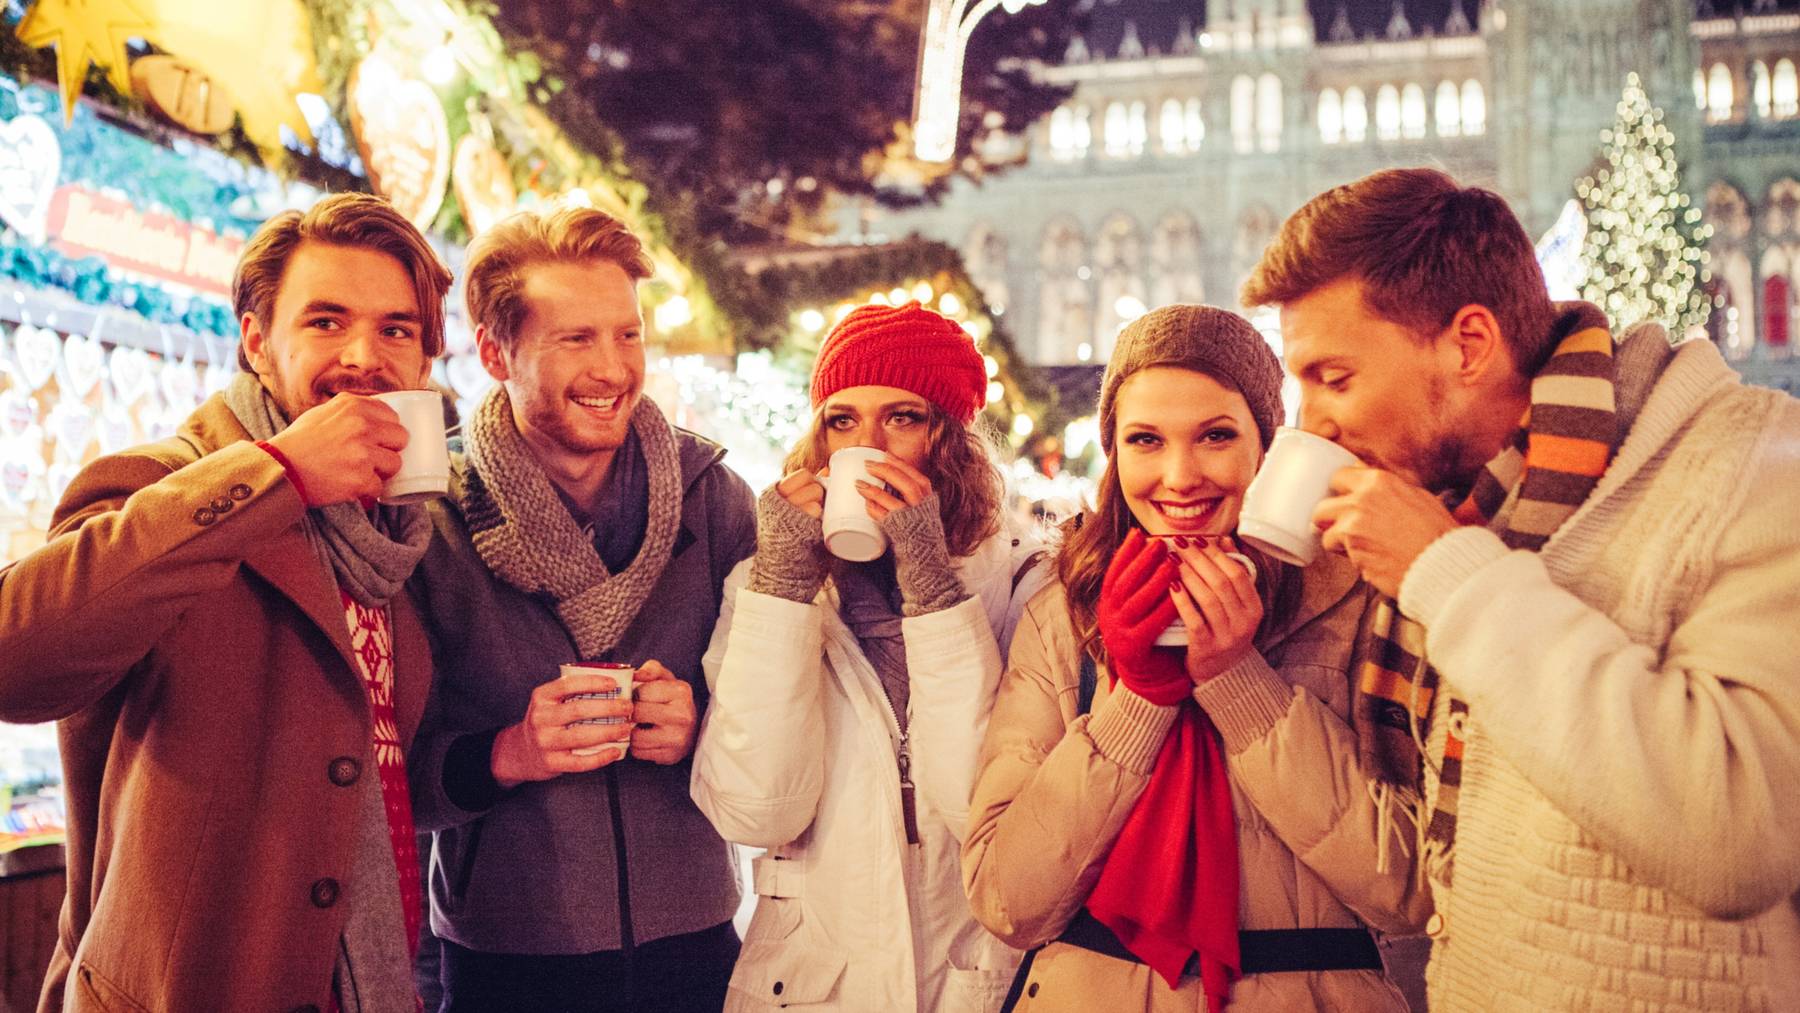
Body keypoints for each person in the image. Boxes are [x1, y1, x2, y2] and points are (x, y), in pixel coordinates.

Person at [1241, 166, 1800, 1009]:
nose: (1308, 422)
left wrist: (1448, 576)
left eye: (1335, 377)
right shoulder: (1463, 503)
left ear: (1469, 344)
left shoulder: (1748, 462)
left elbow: (1740, 829)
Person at [0, 192, 452, 1012]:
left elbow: (367, 767)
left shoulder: (398, 545)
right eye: (325, 321)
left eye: (396, 329)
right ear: (256, 341)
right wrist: (276, 472)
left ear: (424, 362)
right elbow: (14, 662)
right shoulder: (161, 482)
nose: (364, 355)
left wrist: (504, 756)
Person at [964, 305, 1427, 1012]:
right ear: (1116, 454)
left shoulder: (1362, 601)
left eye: (1215, 435)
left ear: (1266, 446)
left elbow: (1410, 889)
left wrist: (1240, 682)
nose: (1179, 477)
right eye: (1145, 440)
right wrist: (1139, 701)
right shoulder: (1063, 612)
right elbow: (1008, 900)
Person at [403, 205, 756, 1012]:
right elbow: (383, 771)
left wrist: (706, 726)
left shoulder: (716, 501)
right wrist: (507, 752)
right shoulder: (431, 520)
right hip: (504, 960)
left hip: (698, 946)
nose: (613, 368)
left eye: (627, 334)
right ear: (497, 352)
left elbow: (787, 727)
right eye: (576, 339)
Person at [690, 301, 1051, 1012]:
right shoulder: (765, 588)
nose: (872, 445)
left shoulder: (1024, 585)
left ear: (950, 440)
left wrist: (931, 584)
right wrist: (784, 590)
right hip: (810, 988)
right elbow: (755, 810)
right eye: (843, 420)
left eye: (904, 417)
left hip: (975, 983)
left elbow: (973, 804)